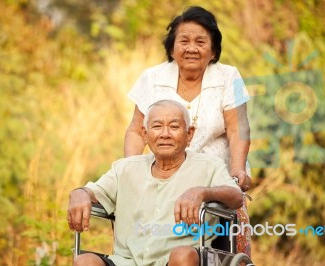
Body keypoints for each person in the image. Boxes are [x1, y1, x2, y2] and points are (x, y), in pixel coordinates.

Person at [124, 6, 252, 256]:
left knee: (224, 252)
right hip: (162, 180)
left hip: (215, 182)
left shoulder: (230, 76)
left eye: (200, 41)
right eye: (184, 40)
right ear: (172, 48)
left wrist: (238, 170)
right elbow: (137, 131)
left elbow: (238, 130)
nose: (191, 48)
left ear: (213, 50)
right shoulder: (152, 77)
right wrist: (131, 170)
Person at [68, 100, 243, 266]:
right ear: (145, 134)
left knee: (182, 255)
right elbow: (92, 191)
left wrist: (202, 192)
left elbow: (236, 197)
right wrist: (79, 194)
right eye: (157, 126)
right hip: (127, 261)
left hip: (177, 260)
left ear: (189, 134)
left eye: (174, 127)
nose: (165, 134)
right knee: (84, 261)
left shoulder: (209, 165)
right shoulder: (125, 168)